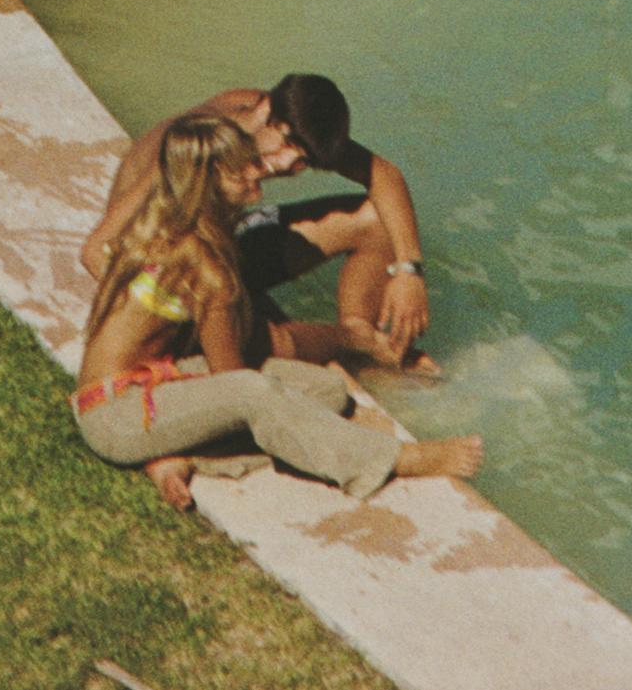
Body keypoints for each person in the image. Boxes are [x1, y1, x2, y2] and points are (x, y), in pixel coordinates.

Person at [65, 111, 476, 512]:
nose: (256, 171)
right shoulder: (206, 269)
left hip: (151, 385)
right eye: (238, 170)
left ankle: (180, 454)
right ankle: (393, 460)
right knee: (254, 392)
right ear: (207, 183)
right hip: (114, 418)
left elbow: (95, 252)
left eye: (249, 161)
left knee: (325, 393)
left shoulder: (163, 222)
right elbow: (233, 382)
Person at [80, 71, 438, 367]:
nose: (284, 165)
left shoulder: (288, 121)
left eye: (302, 162)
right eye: (284, 144)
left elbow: (383, 175)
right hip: (167, 266)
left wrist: (409, 271)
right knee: (278, 345)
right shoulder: (196, 145)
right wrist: (174, 314)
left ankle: (362, 335)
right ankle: (356, 345)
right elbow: (103, 248)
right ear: (264, 107)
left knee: (377, 219)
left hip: (216, 247)